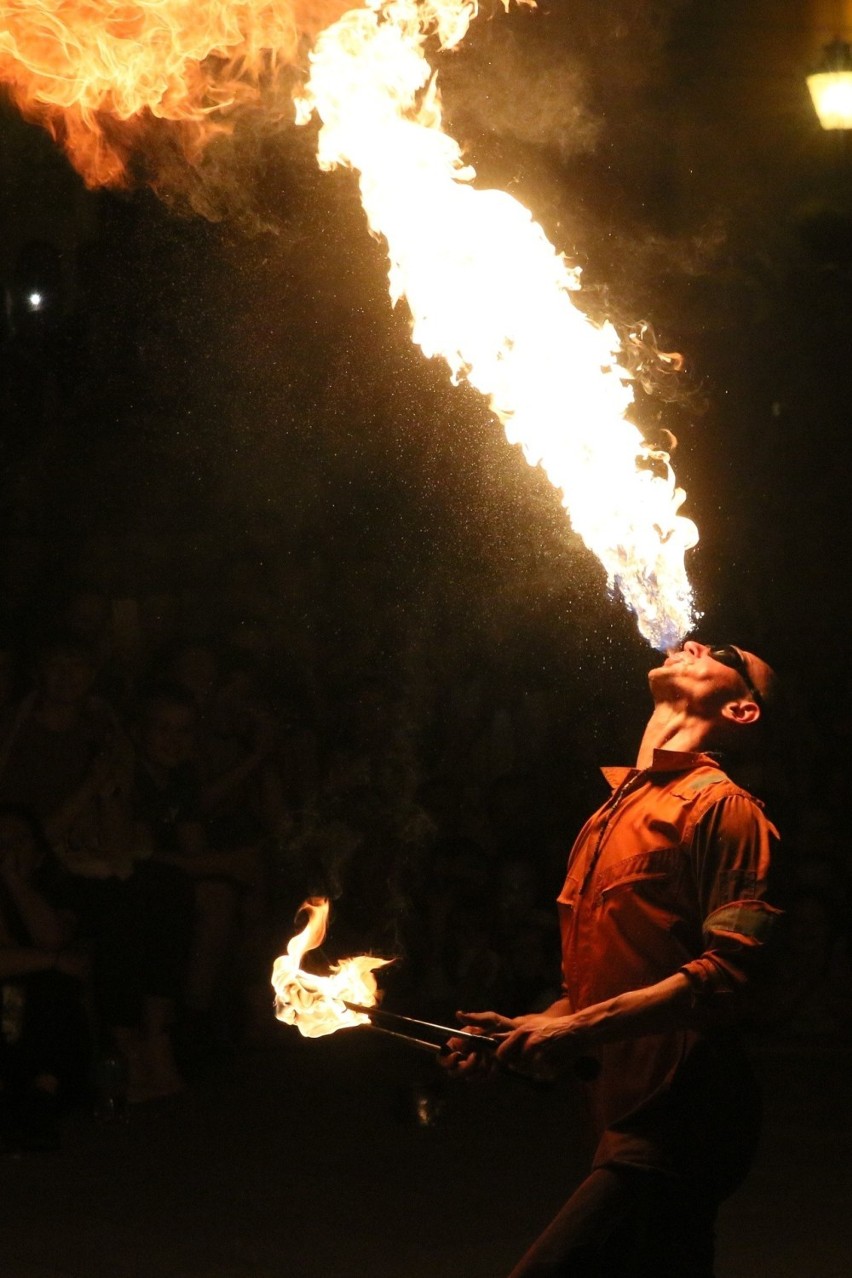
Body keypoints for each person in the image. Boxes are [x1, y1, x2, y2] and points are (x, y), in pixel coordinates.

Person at [444, 640, 782, 1278]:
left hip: (684, 1115)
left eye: (725, 653)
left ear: (742, 711)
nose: (695, 643)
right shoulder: (612, 812)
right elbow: (616, 975)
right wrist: (535, 1022)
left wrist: (575, 1031)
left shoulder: (726, 810)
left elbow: (730, 977)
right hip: (619, 1112)